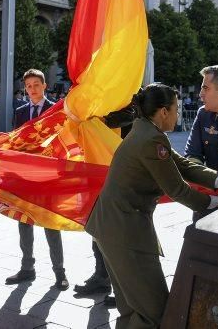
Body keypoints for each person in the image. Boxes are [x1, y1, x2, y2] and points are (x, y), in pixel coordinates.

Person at [86, 83, 218, 328]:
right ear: (163, 112)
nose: (178, 114)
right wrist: (216, 201)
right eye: (176, 109)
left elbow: (186, 166)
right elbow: (177, 189)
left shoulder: (144, 131)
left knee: (130, 309)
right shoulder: (151, 140)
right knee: (154, 311)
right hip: (126, 232)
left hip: (111, 226)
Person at [5, 69, 69, 290]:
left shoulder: (54, 111)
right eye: (28, 86)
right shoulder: (20, 111)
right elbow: (15, 142)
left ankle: (59, 272)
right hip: (25, 176)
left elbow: (62, 141)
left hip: (48, 176)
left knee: (51, 224)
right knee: (24, 222)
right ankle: (27, 268)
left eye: (36, 85)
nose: (32, 89)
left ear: (44, 86)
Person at [75, 103, 136, 306]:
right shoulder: (100, 91)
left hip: (121, 171)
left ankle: (125, 290)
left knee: (119, 234)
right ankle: (101, 277)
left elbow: (130, 115)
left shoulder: (129, 91)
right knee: (96, 226)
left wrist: (100, 120)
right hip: (97, 169)